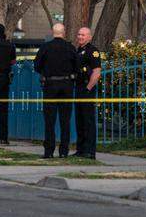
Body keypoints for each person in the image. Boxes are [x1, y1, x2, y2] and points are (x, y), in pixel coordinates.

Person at [33, 23, 77, 158]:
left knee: (49, 120)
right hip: (66, 84)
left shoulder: (45, 47)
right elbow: (77, 65)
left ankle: (49, 151)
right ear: (63, 32)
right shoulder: (70, 48)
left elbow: (36, 65)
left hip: (50, 85)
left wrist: (45, 72)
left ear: (53, 32)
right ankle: (64, 151)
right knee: (65, 120)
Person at [74, 27, 102, 159]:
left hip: (87, 89)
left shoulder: (93, 51)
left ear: (89, 37)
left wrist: (88, 88)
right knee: (79, 120)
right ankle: (80, 149)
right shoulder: (78, 50)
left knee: (88, 121)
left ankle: (90, 151)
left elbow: (96, 73)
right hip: (79, 88)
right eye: (79, 34)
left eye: (83, 35)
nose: (80, 37)